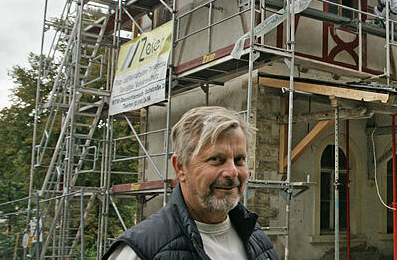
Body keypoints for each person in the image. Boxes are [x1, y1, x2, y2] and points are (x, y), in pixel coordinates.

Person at [103, 106, 278, 260]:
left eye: (239, 159)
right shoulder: (141, 251)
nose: (232, 172)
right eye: (216, 159)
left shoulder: (257, 239)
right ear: (180, 167)